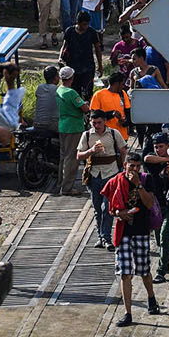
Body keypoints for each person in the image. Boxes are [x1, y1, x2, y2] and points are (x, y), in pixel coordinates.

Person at [104, 156, 163, 327]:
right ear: (125, 166)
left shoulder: (146, 180)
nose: (134, 169)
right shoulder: (116, 181)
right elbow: (111, 209)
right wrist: (118, 214)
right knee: (125, 273)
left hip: (141, 231)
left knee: (144, 270)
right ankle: (127, 313)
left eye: (138, 166)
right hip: (123, 232)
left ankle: (151, 298)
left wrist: (138, 184)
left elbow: (150, 202)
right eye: (132, 166)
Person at [77, 110, 126, 249]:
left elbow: (123, 151)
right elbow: (79, 155)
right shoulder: (86, 135)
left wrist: (122, 169)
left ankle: (106, 237)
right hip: (94, 174)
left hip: (111, 173)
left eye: (99, 122)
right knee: (97, 208)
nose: (97, 125)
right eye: (94, 123)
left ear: (105, 121)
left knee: (107, 208)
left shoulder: (113, 133)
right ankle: (100, 236)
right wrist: (91, 151)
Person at [54, 65, 89, 195]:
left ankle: (61, 183)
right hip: (73, 127)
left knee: (64, 157)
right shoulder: (71, 92)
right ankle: (67, 187)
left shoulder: (59, 90)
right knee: (72, 158)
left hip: (63, 125)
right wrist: (86, 105)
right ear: (71, 77)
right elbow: (84, 108)